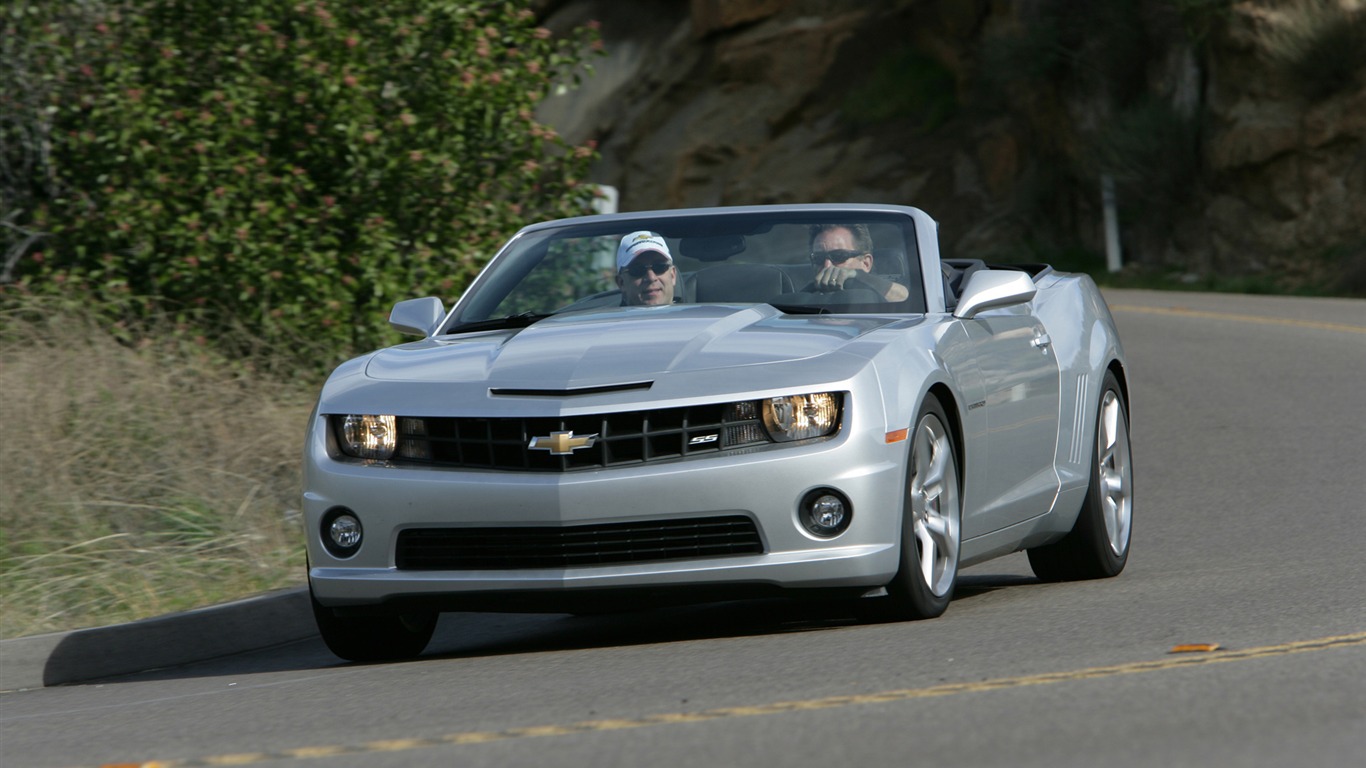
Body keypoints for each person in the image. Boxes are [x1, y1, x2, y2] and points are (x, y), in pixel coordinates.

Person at [806, 223, 908, 301]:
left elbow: (904, 297)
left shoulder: (879, 298)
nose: (827, 265)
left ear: (866, 263)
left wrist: (857, 276)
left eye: (839, 256)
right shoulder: (803, 302)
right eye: (818, 258)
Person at [615, 230, 679, 306]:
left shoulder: (693, 316)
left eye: (659, 267)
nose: (651, 277)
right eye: (638, 270)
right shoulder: (606, 318)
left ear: (673, 275)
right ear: (621, 283)